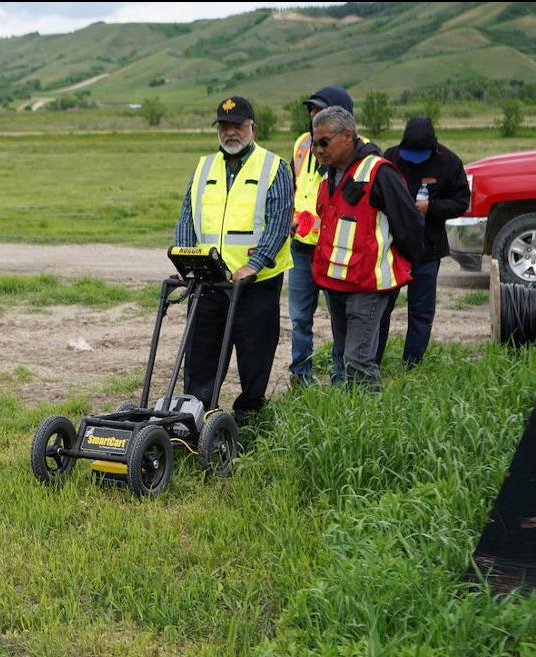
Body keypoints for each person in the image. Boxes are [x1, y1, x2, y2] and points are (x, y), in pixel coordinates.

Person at [174, 95, 294, 425]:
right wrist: (187, 258)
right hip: (209, 280)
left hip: (255, 284)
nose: (231, 133)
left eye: (238, 126)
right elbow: (187, 216)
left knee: (254, 354)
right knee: (201, 353)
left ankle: (248, 416)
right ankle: (196, 415)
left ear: (252, 128)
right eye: (224, 126)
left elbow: (280, 221)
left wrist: (255, 265)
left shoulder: (274, 167)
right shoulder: (203, 167)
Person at [310, 106, 423, 387]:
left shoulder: (379, 172)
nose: (317, 149)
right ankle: (349, 417)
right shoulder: (329, 176)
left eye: (324, 142)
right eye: (314, 142)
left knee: (358, 361)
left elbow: (409, 226)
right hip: (336, 283)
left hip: (367, 286)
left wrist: (402, 268)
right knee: (342, 355)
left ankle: (371, 422)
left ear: (347, 136)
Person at [377, 116, 470, 367]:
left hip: (428, 251)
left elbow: (462, 202)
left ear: (433, 147)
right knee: (381, 309)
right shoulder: (391, 158)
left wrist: (432, 207)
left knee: (420, 312)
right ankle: (372, 360)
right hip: (392, 251)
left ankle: (412, 363)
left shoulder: (449, 162)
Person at [288, 86, 360, 386]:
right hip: (303, 247)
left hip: (337, 250)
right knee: (299, 317)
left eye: (320, 111)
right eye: (311, 111)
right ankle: (300, 375)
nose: (313, 117)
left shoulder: (358, 150)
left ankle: (340, 376)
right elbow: (296, 185)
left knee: (340, 320)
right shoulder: (303, 145)